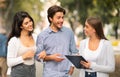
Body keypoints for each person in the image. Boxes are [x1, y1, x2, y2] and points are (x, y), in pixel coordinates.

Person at [35, 5, 78, 77]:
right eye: (58, 18)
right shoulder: (42, 36)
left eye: (62, 17)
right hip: (49, 74)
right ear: (50, 18)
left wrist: (72, 66)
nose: (61, 20)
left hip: (66, 74)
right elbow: (37, 57)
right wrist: (50, 57)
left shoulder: (69, 32)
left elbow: (74, 52)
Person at [7, 11, 46, 77]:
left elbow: (38, 57)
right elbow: (9, 62)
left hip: (32, 71)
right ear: (21, 26)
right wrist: (24, 56)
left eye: (30, 21)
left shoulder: (35, 37)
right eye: (26, 23)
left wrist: (42, 55)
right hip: (18, 73)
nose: (30, 24)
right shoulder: (14, 40)